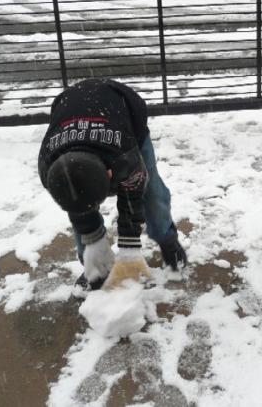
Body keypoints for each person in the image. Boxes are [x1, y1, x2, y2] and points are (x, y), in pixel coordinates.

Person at [38, 78, 187, 291]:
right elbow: (76, 203)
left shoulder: (126, 158)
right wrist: (92, 241)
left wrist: (129, 250)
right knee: (80, 201)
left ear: (110, 173)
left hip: (124, 115)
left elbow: (132, 197)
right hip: (71, 112)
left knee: (152, 191)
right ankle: (92, 264)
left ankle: (167, 238)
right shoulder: (49, 168)